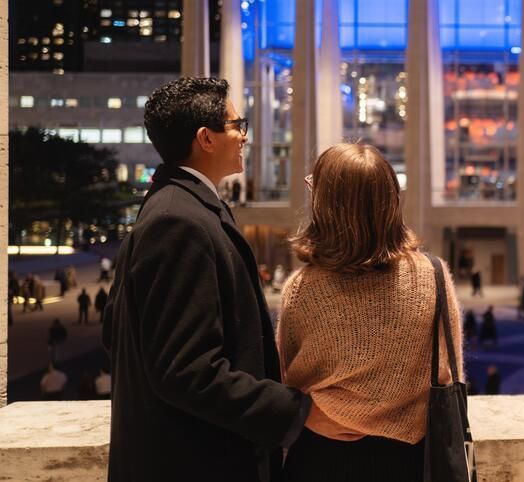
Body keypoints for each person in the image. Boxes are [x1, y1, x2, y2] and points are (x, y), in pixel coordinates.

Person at [103, 77, 310, 482]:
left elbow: (114, 332)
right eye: (237, 125)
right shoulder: (179, 221)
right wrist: (293, 411)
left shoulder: (174, 206)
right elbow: (186, 370)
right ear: (206, 139)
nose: (244, 136)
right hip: (196, 462)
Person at [277, 142, 464, 482]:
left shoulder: (303, 289)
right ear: (389, 201)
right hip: (412, 459)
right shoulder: (433, 275)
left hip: (319, 455)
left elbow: (287, 377)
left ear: (327, 205)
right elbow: (449, 376)